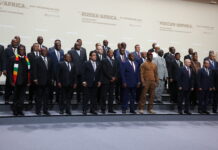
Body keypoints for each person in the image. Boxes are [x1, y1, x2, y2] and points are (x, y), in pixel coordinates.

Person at [8, 45, 30, 116]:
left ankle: (20, 110)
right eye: (20, 50)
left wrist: (29, 81)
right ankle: (15, 110)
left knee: (22, 97)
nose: (22, 51)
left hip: (24, 81)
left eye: (23, 50)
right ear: (18, 51)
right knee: (15, 97)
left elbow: (29, 71)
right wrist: (11, 81)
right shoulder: (13, 58)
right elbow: (10, 71)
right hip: (16, 81)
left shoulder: (27, 59)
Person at [33, 47, 52, 115]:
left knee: (46, 97)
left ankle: (45, 110)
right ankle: (38, 110)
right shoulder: (37, 59)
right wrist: (35, 78)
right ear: (41, 51)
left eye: (46, 51)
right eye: (43, 51)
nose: (45, 52)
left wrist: (51, 79)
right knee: (39, 97)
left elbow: (51, 71)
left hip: (47, 81)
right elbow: (34, 70)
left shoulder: (49, 59)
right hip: (39, 81)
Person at [100, 49, 118, 114]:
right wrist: (110, 77)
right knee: (104, 96)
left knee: (111, 96)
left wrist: (114, 77)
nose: (112, 54)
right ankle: (103, 109)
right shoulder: (103, 60)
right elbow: (104, 71)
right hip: (105, 81)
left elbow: (116, 70)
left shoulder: (114, 61)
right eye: (110, 53)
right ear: (107, 53)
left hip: (112, 82)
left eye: (112, 53)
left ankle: (110, 109)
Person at [48, 39, 64, 105]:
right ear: (55, 45)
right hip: (52, 73)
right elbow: (49, 63)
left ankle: (57, 99)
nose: (59, 46)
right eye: (58, 45)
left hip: (60, 73)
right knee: (51, 87)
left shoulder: (62, 52)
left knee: (59, 87)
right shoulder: (51, 52)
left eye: (60, 45)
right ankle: (50, 99)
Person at [3, 39, 18, 103]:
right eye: (14, 42)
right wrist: (4, 69)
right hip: (9, 70)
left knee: (16, 85)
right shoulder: (7, 50)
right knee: (8, 85)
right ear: (11, 42)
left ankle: (14, 99)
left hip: (17, 70)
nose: (15, 43)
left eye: (16, 42)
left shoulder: (19, 50)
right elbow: (4, 60)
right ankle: (6, 98)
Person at [27, 43, 41, 108]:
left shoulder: (41, 54)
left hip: (39, 75)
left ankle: (37, 100)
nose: (37, 47)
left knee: (38, 89)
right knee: (31, 89)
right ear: (33, 47)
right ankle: (30, 100)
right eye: (35, 46)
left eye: (38, 46)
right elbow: (28, 65)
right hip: (32, 75)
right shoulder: (29, 54)